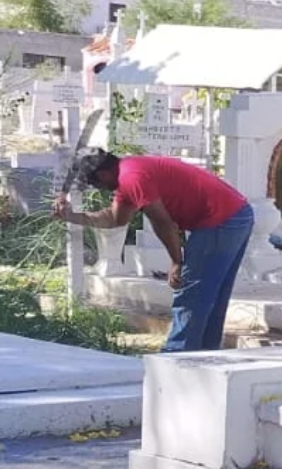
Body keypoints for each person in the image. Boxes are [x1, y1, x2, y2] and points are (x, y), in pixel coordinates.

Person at [58, 150, 254, 352]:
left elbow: (162, 222)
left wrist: (177, 262)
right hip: (236, 213)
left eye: (94, 184)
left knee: (192, 293)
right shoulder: (128, 171)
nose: (98, 189)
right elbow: (115, 219)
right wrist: (73, 216)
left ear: (102, 175)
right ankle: (205, 356)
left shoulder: (131, 178)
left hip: (221, 219)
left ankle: (176, 358)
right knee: (210, 295)